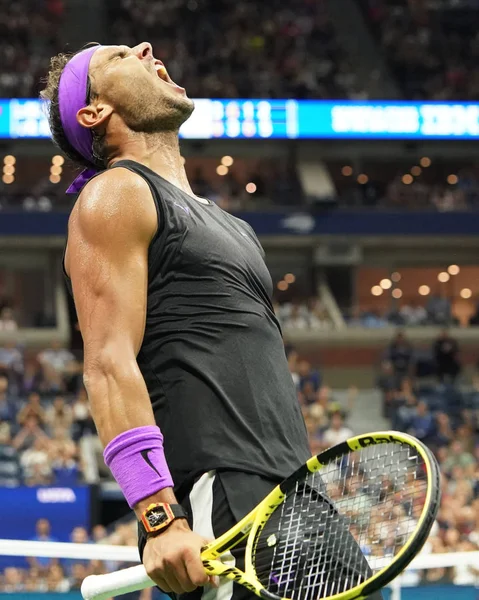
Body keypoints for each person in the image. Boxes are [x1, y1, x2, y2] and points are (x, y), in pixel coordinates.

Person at [42, 42, 381, 600]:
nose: (147, 48)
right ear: (94, 111)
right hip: (224, 500)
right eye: (122, 55)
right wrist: (157, 516)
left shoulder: (235, 227)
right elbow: (107, 364)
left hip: (299, 493)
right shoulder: (116, 194)